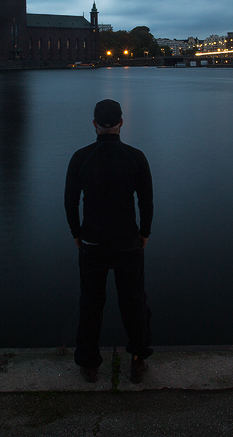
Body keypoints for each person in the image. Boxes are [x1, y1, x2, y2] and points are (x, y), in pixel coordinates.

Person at [64, 98, 154, 384]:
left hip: (92, 243)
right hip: (128, 242)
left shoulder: (81, 157)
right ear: (121, 123)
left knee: (91, 304)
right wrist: (144, 233)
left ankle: (90, 365)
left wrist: (76, 233)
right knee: (134, 303)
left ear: (94, 124)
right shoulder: (135, 157)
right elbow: (147, 201)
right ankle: (138, 361)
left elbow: (69, 201)